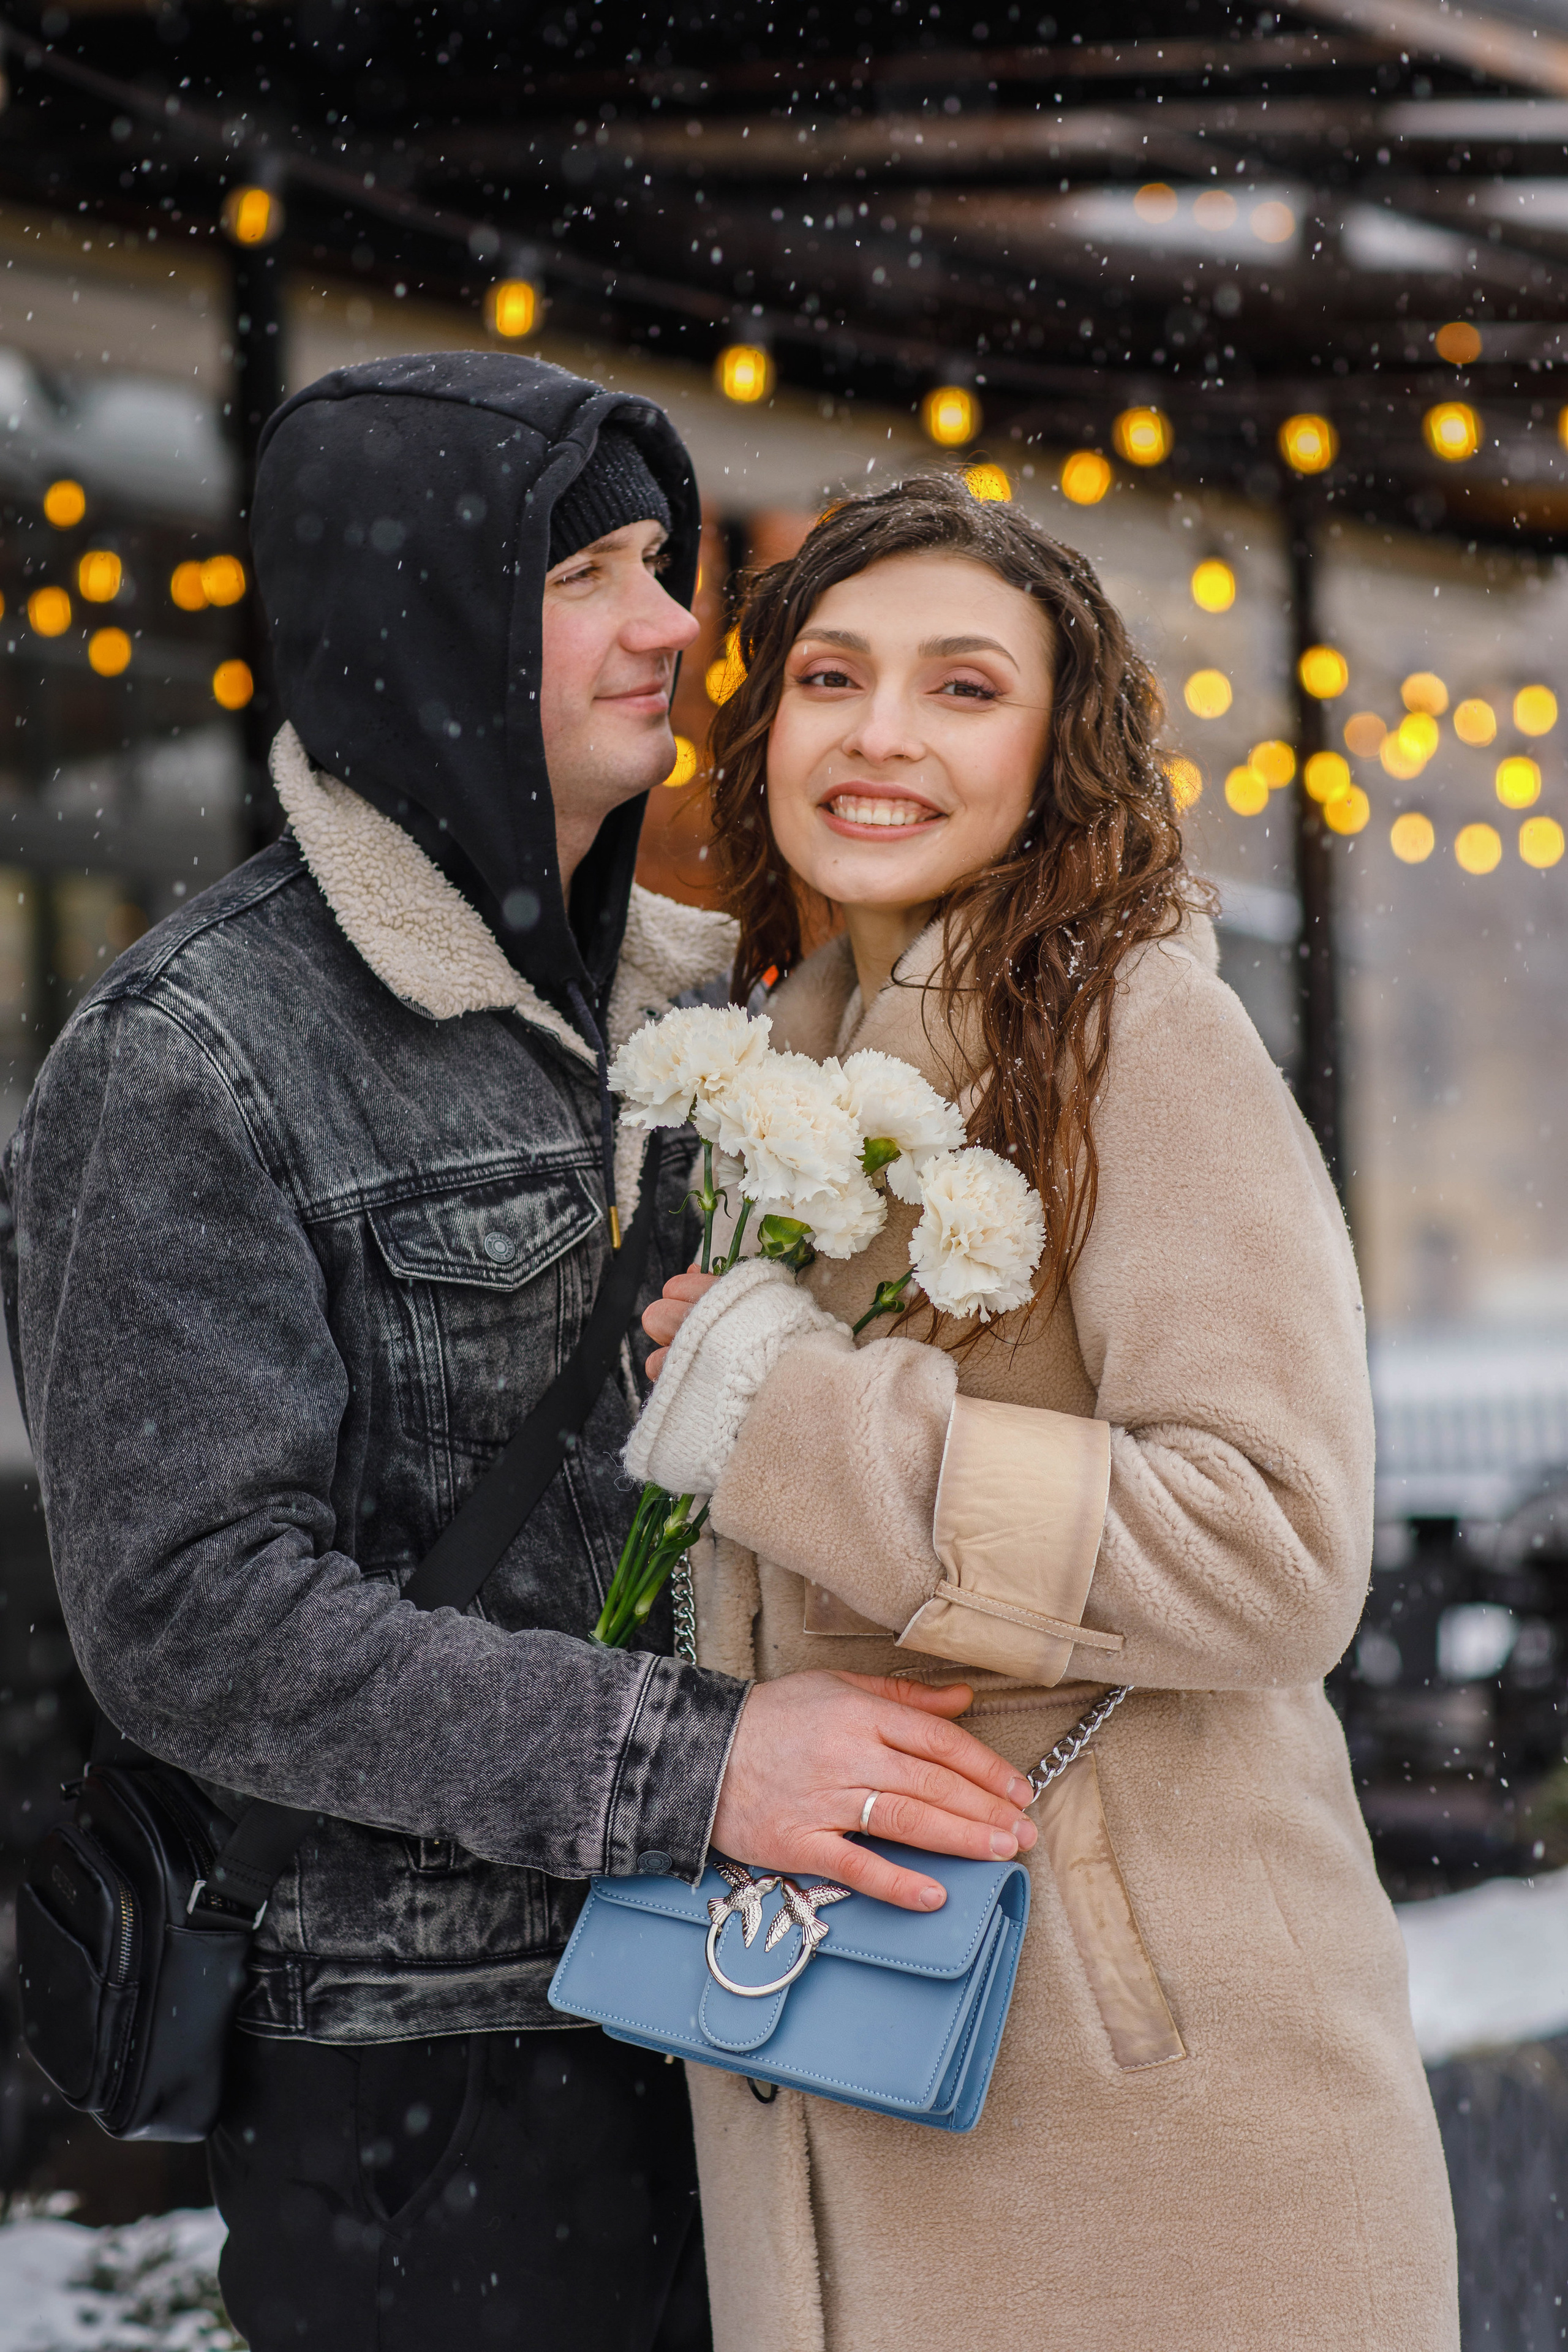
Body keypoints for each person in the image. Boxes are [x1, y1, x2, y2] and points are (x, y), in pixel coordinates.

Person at [1, 368, 1035, 2351]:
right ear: (423, 628)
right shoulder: (190, 1058)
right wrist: (698, 1766)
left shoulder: (714, 1003)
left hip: (751, 2009)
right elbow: (192, 1621)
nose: (673, 623)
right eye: (589, 574)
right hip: (434, 2087)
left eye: (662, 565)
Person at [633, 474, 1461, 2352]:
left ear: (1056, 746)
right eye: (833, 677)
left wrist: (785, 1418)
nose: (881, 736)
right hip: (836, 2064)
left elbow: (1275, 1547)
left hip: (1145, 2117)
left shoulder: (1133, 1036)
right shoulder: (780, 1061)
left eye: (961, 687)